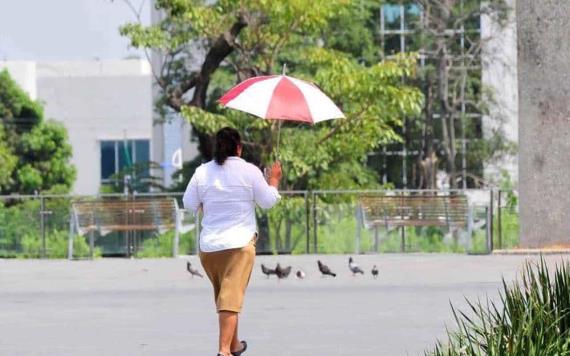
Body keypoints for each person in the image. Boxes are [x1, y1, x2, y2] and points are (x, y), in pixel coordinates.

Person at [183, 127, 282, 356]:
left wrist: (204, 205)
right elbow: (268, 201)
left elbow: (189, 203)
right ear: (239, 147)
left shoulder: (202, 172)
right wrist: (274, 181)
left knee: (225, 295)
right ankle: (224, 351)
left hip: (209, 249)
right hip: (239, 246)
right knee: (230, 297)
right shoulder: (249, 171)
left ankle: (235, 344)